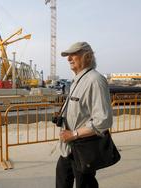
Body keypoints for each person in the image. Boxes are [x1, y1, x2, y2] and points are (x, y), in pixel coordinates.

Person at [56, 42, 113, 188]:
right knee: (62, 181)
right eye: (67, 56)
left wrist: (74, 134)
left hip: (83, 148)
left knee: (85, 184)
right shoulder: (77, 80)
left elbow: (103, 121)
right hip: (68, 148)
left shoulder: (95, 80)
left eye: (73, 54)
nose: (69, 58)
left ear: (87, 56)